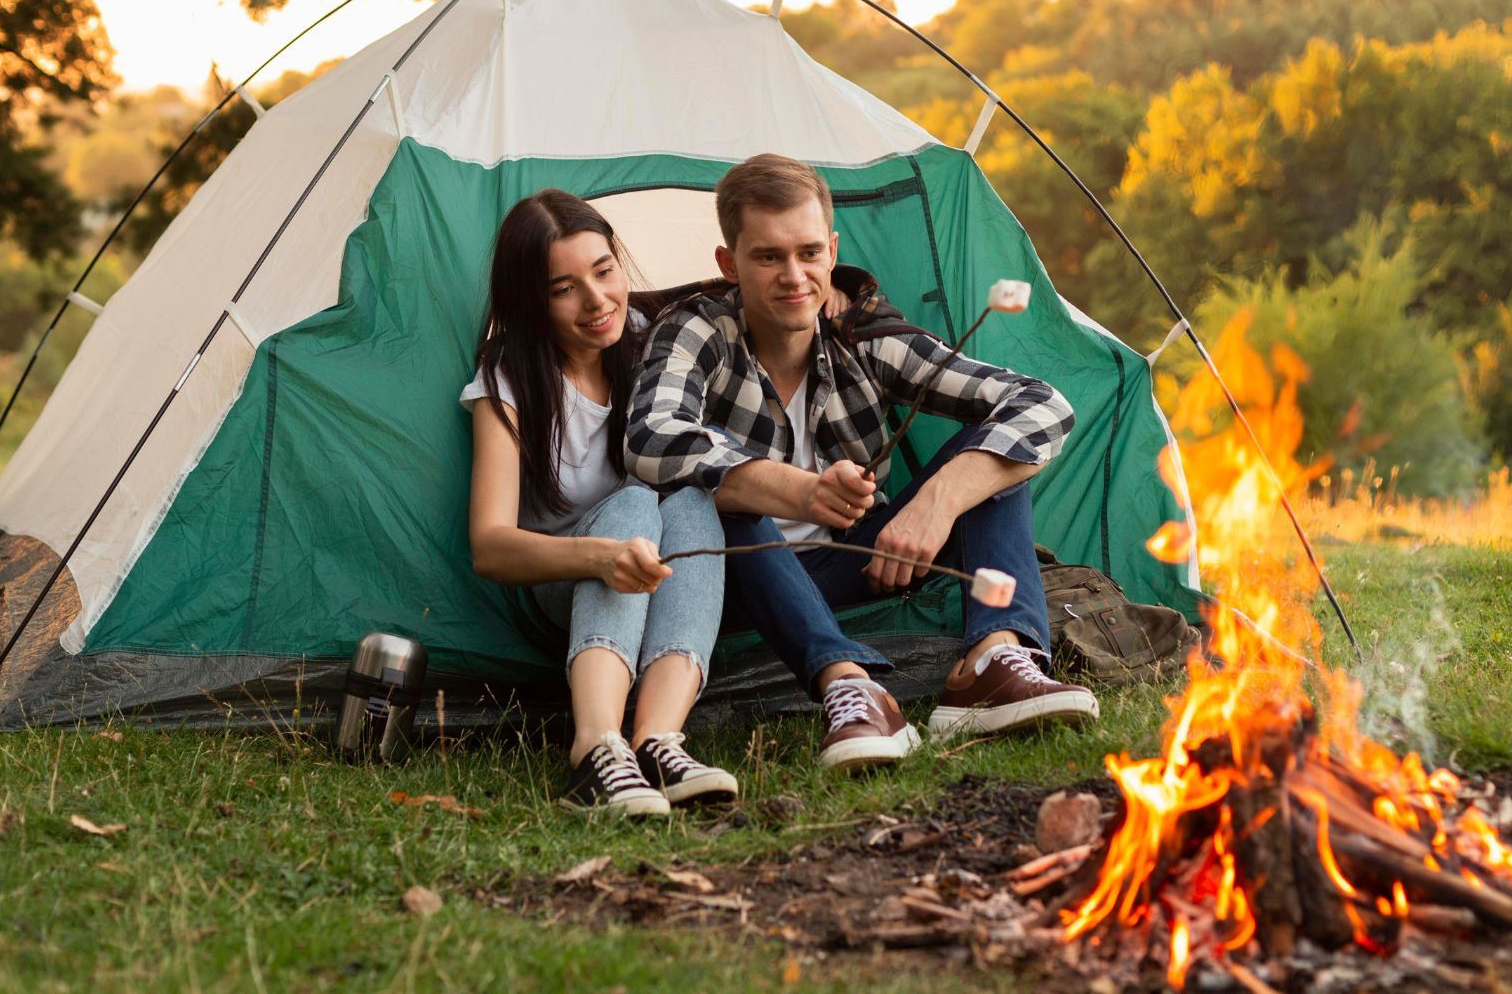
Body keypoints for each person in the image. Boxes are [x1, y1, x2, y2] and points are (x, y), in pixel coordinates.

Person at [625, 154, 1097, 773]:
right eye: (768, 257)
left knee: (992, 458)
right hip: (732, 580)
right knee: (714, 495)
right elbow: (650, 437)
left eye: (808, 253)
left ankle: (993, 660)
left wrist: (935, 506)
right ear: (728, 264)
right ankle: (850, 686)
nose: (794, 276)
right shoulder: (697, 329)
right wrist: (797, 491)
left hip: (855, 562)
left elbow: (1043, 405)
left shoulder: (864, 338)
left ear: (832, 251)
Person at [465, 188, 734, 815]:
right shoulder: (507, 380)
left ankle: (658, 742)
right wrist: (600, 557)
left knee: (692, 501)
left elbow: (739, 298)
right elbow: (490, 546)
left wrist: (843, 288)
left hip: (645, 572)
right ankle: (596, 750)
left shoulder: (647, 339)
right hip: (560, 581)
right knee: (636, 505)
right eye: (564, 289)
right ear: (530, 301)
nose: (596, 301)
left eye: (604, 271)